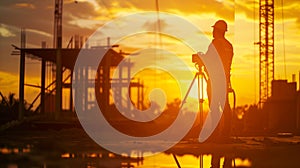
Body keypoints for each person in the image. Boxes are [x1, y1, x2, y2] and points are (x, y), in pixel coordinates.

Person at [195, 20, 234, 140]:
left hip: (215, 79)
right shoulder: (229, 45)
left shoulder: (215, 43)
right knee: (225, 106)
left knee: (214, 107)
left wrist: (200, 57)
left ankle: (215, 134)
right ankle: (226, 134)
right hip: (225, 79)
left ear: (218, 31)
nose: (212, 32)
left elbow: (209, 59)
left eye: (214, 29)